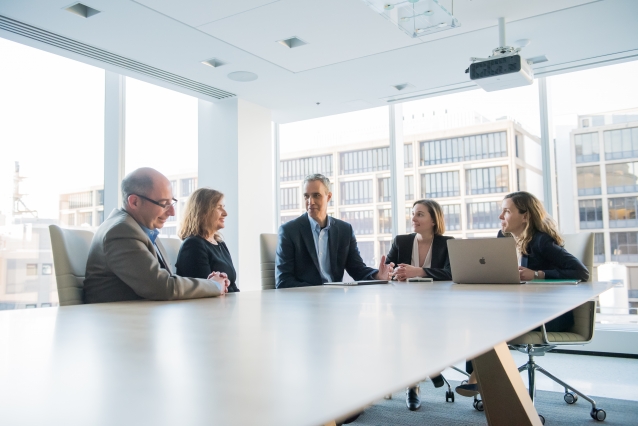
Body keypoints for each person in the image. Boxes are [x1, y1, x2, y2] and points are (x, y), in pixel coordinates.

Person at [455, 191, 589, 397]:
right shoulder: (504, 238)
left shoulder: (541, 241)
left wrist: (537, 274)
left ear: (525, 216)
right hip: (519, 310)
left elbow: (581, 272)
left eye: (507, 211)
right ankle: (478, 377)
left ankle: (477, 378)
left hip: (548, 315)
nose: (501, 217)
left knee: (488, 322)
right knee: (479, 316)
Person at [84, 168, 229, 303]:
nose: (172, 212)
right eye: (164, 204)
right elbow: (163, 286)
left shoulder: (143, 229)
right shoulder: (121, 231)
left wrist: (210, 283)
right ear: (134, 201)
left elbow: (166, 281)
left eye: (171, 202)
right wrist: (214, 285)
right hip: (118, 323)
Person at [385, 199, 453, 411]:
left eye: (420, 214)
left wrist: (420, 271)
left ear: (434, 219)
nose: (413, 219)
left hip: (438, 304)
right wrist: (393, 272)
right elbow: (389, 268)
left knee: (424, 331)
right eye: (413, 214)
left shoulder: (447, 243)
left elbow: (453, 272)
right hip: (404, 303)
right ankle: (415, 383)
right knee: (407, 332)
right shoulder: (401, 241)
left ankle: (430, 368)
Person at [276, 174, 394, 289]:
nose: (310, 201)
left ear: (328, 197)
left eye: (316, 195)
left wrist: (378, 275)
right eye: (306, 196)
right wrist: (319, 292)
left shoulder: (344, 230)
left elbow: (357, 269)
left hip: (335, 299)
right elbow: (283, 281)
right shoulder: (289, 231)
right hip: (304, 303)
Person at [176, 188, 239, 293]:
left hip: (225, 305)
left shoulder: (220, 244)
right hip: (209, 308)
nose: (225, 213)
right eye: (219, 208)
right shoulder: (193, 245)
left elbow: (232, 286)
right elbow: (204, 291)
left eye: (224, 207)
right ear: (203, 212)